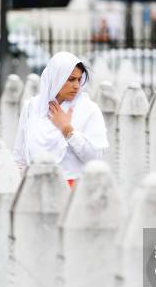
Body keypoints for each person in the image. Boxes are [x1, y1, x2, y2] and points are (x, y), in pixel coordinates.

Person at [13, 51, 109, 187]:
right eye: (71, 79)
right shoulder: (31, 107)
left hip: (73, 192)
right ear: (56, 77)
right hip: (34, 190)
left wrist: (66, 129)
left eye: (79, 79)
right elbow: (20, 158)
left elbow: (94, 158)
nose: (76, 85)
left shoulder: (88, 110)